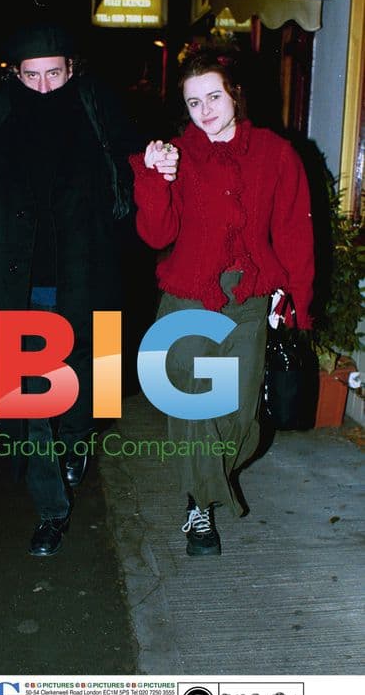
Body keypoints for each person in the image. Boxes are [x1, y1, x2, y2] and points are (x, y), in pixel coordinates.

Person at [0, 21, 143, 558]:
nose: (45, 88)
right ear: (13, 74)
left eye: (56, 74)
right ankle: (51, 510)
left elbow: (140, 176)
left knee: (82, 388)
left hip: (87, 282)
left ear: (73, 69)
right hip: (18, 286)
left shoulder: (99, 113)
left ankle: (76, 445)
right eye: (32, 77)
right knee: (29, 402)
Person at [129, 44, 314, 557]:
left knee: (238, 414)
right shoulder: (175, 155)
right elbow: (155, 232)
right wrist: (154, 178)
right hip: (187, 292)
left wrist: (297, 302)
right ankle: (200, 508)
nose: (205, 110)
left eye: (213, 96)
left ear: (234, 93)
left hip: (250, 296)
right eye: (193, 103)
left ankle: (206, 476)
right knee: (190, 399)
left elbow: (295, 234)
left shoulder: (277, 155)